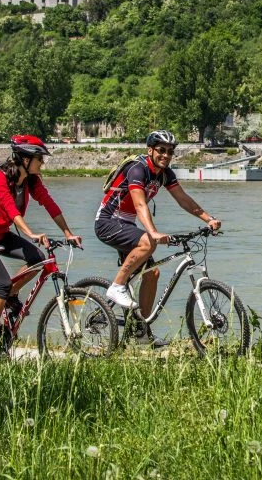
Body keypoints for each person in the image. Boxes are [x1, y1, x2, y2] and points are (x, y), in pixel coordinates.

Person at [94, 130, 221, 346]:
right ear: (150, 150)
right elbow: (139, 203)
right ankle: (117, 286)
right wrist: (152, 232)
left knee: (152, 274)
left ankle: (141, 332)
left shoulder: (165, 174)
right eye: (161, 150)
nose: (166, 155)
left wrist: (208, 218)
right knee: (147, 242)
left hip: (126, 224)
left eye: (170, 152)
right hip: (108, 221)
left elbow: (183, 199)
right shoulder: (138, 169)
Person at [0, 134, 82, 359]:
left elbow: (49, 203)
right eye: (40, 158)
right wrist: (30, 233)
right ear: (25, 159)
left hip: (1, 234)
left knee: (38, 259)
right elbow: (11, 210)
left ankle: (10, 295)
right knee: (2, 283)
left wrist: (67, 232)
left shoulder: (31, 181)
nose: (43, 163)